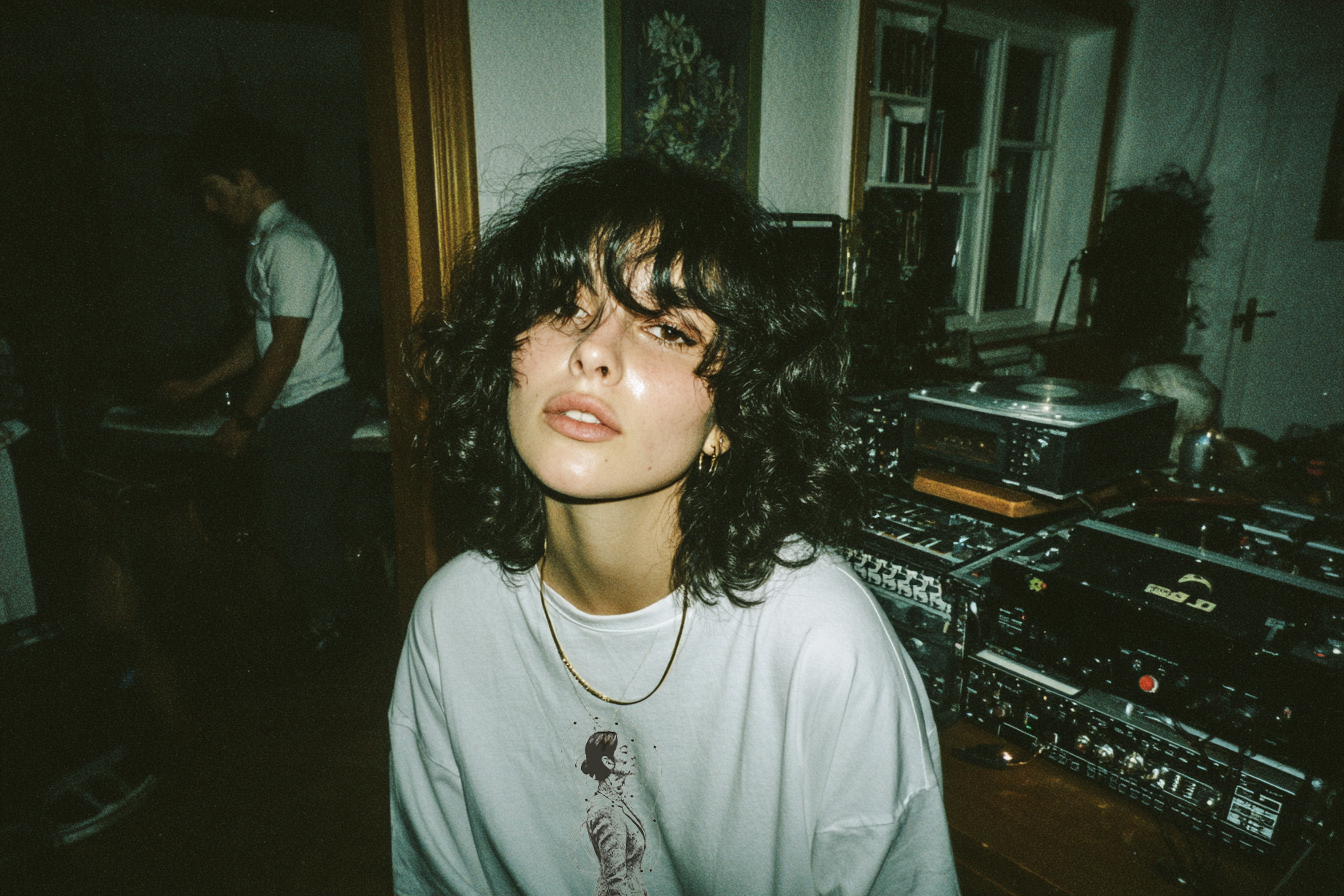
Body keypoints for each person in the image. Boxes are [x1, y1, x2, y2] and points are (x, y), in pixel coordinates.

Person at [390, 155, 959, 895]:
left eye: (667, 329)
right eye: (562, 305)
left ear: (731, 414)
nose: (592, 351)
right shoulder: (451, 620)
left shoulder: (822, 643)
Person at [159, 113, 360, 654]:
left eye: (214, 191)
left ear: (245, 179)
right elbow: (261, 337)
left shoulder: (290, 244)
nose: (209, 206)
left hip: (317, 402)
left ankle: (334, 635)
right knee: (289, 524)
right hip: (295, 404)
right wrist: (200, 383)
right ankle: (325, 625)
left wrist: (244, 422)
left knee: (301, 527)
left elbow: (286, 347)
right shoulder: (266, 243)